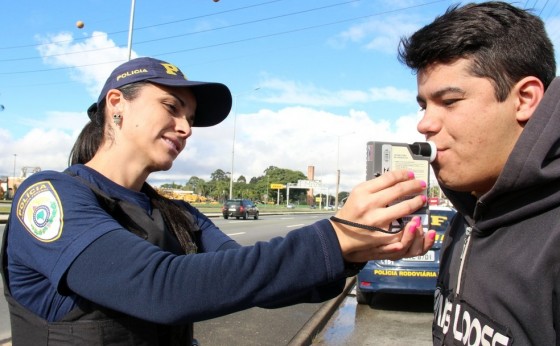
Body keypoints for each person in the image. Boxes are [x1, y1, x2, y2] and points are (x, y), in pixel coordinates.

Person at [1, 57, 436, 345]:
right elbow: (162, 288)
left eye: (189, 118)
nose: (186, 128)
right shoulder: (51, 195)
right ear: (117, 104)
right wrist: (332, 236)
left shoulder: (179, 215)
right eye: (172, 107)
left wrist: (355, 250)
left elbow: (253, 281)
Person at [398, 1, 558, 345]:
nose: (424, 123)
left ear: (526, 99)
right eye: (424, 104)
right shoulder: (467, 210)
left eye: (450, 101)